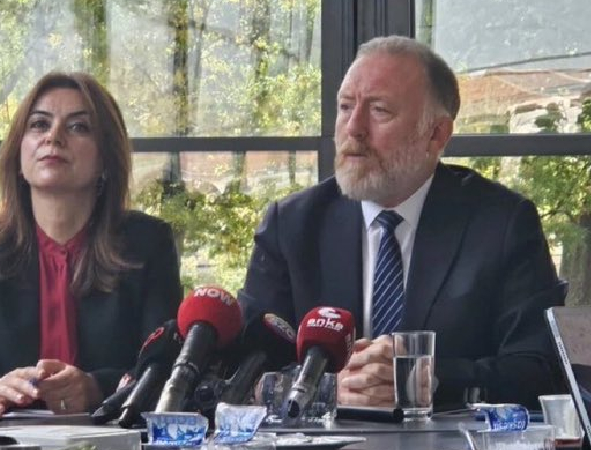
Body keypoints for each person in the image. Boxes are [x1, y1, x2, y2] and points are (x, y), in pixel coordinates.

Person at [238, 36, 565, 410]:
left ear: (436, 134)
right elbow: (244, 369)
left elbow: (540, 370)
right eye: (345, 107)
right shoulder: (293, 224)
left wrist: (422, 380)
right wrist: (327, 390)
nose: (354, 128)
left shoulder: (501, 223)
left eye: (379, 111)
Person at [0, 72, 182, 415]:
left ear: (105, 159)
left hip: (111, 434)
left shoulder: (147, 244)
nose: (53, 137)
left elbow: (164, 368)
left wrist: (96, 387)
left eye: (78, 127)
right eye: (39, 124)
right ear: (18, 152)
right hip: (6, 435)